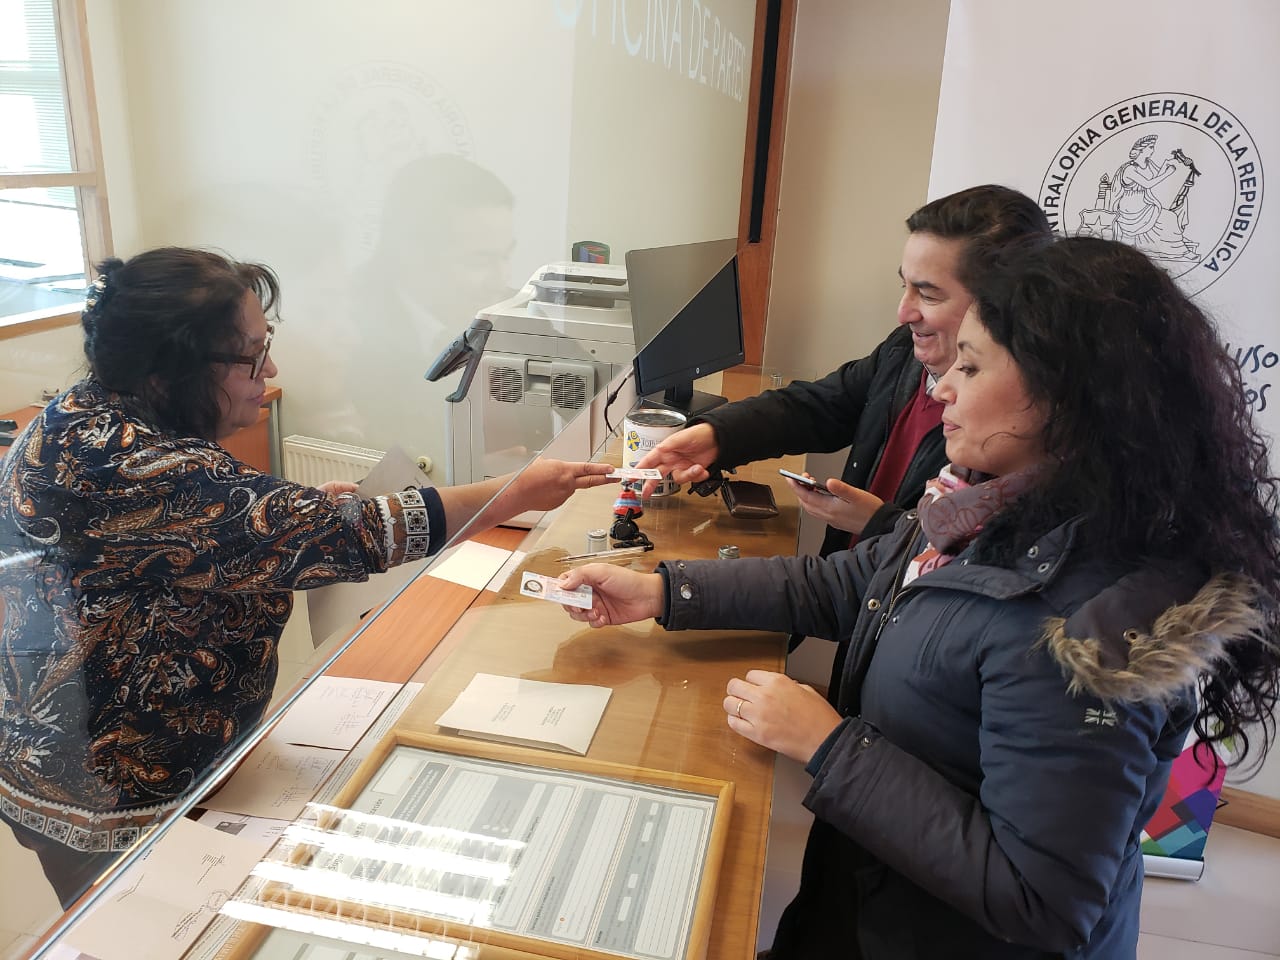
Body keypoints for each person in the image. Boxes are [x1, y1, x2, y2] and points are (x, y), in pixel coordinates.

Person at [559, 236, 1280, 957]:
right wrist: (663, 590)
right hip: (865, 894)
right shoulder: (978, 507)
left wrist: (831, 746)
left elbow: (1043, 902)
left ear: (1066, 395)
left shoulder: (1087, 627)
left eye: (969, 366)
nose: (939, 388)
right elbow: (853, 583)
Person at [0, 247, 613, 909]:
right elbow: (347, 533)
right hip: (99, 786)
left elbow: (200, 532)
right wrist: (517, 490)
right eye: (249, 358)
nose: (270, 370)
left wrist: (281, 516)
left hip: (148, 750)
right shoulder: (118, 457)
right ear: (169, 371)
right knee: (148, 929)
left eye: (267, 346)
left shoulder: (106, 414)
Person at [636, 184, 1052, 557]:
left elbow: (967, 562)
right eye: (903, 285)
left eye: (926, 294)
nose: (903, 312)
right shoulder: (903, 353)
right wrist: (718, 435)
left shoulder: (1013, 439)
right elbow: (819, 406)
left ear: (1000, 307)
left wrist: (881, 524)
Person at [1110, 134, 1199, 261]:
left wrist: (1174, 165)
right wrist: (1168, 172)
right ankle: (1181, 251)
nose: (1152, 150)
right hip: (1132, 207)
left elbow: (1157, 177)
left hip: (1147, 202)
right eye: (1150, 147)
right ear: (1141, 149)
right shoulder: (1129, 169)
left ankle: (1180, 249)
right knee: (1169, 217)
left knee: (1174, 213)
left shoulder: (1148, 163)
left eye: (1153, 147)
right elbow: (1148, 183)